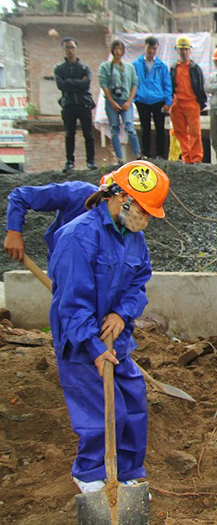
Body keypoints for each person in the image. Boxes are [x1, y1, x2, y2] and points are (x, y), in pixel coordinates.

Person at [48, 160, 169, 494]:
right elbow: (73, 305)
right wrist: (95, 348)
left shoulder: (133, 239)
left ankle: (128, 471)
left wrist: (120, 314)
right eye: (143, 210)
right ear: (120, 197)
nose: (146, 219)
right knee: (102, 411)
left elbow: (138, 283)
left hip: (117, 337)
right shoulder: (78, 238)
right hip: (81, 342)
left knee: (133, 401)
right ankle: (89, 476)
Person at [4, 177, 106, 264]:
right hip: (62, 261)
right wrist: (13, 232)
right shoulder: (76, 194)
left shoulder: (119, 222)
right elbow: (20, 196)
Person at [54, 37, 97, 173]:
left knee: (88, 134)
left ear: (76, 49)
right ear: (63, 50)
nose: (70, 50)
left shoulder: (84, 68)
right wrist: (77, 83)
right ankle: (69, 162)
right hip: (68, 105)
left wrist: (69, 82)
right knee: (69, 134)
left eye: (72, 47)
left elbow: (86, 84)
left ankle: (90, 161)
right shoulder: (59, 69)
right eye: (67, 47)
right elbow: (60, 85)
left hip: (84, 104)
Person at [99, 40, 141, 163]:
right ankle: (119, 158)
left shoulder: (129, 67)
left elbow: (134, 84)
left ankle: (138, 154)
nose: (118, 52)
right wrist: (112, 101)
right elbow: (104, 84)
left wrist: (129, 101)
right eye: (116, 49)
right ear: (112, 50)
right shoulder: (105, 66)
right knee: (114, 129)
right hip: (112, 101)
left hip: (126, 100)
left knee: (129, 127)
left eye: (120, 49)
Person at [133, 36, 172, 160]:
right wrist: (135, 98)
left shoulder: (162, 66)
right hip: (142, 100)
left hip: (158, 101)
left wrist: (168, 102)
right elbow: (132, 83)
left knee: (160, 128)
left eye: (154, 49)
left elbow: (167, 84)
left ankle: (160, 154)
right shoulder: (136, 65)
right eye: (149, 48)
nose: (151, 51)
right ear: (145, 46)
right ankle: (146, 154)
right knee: (145, 129)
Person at [170, 36, 206, 164]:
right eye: (181, 49)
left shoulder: (195, 69)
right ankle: (187, 157)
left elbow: (200, 86)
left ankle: (196, 157)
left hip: (192, 103)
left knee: (195, 132)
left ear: (189, 50)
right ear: (177, 50)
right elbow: (170, 86)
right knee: (180, 132)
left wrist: (201, 102)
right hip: (177, 103)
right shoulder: (174, 68)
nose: (184, 52)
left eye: (186, 49)